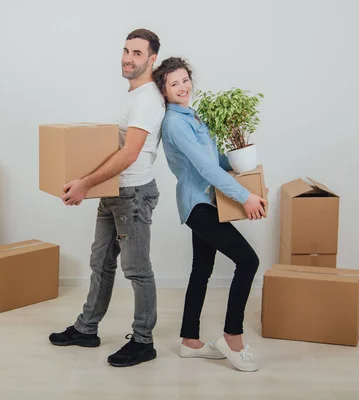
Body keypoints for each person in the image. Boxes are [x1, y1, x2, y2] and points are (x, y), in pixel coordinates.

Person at [49, 28, 165, 368]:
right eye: (126, 51)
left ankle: (144, 341)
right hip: (114, 191)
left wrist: (85, 183)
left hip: (132, 195)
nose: (128, 58)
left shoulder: (147, 99)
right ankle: (87, 329)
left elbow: (129, 154)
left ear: (152, 59)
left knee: (137, 269)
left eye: (137, 53)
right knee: (100, 262)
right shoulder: (133, 95)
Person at [152, 57, 267, 372]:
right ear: (163, 90)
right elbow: (203, 169)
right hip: (198, 205)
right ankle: (233, 337)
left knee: (201, 269)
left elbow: (214, 159)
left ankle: (190, 341)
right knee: (248, 261)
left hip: (207, 202)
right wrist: (244, 197)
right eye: (174, 83)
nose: (183, 87)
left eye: (185, 80)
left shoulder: (192, 115)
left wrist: (242, 160)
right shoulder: (175, 122)